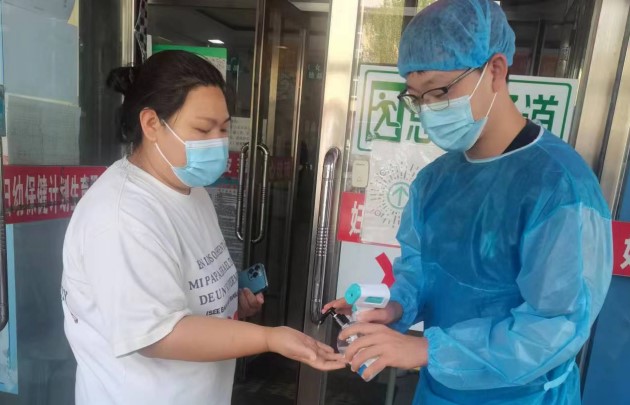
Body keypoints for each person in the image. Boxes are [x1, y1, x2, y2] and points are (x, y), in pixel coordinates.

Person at [323, 0, 612, 404]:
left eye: (439, 91)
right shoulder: (434, 182)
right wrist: (394, 307)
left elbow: (555, 325)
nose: (428, 109)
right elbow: (421, 272)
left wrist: (427, 350)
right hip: (439, 391)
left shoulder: (560, 186)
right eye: (416, 97)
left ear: (495, 70)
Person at [61, 50, 344, 405]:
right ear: (151, 124)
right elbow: (157, 335)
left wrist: (230, 301)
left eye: (223, 128)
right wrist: (269, 339)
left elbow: (190, 289)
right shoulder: (120, 218)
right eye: (202, 129)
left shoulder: (189, 189)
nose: (217, 141)